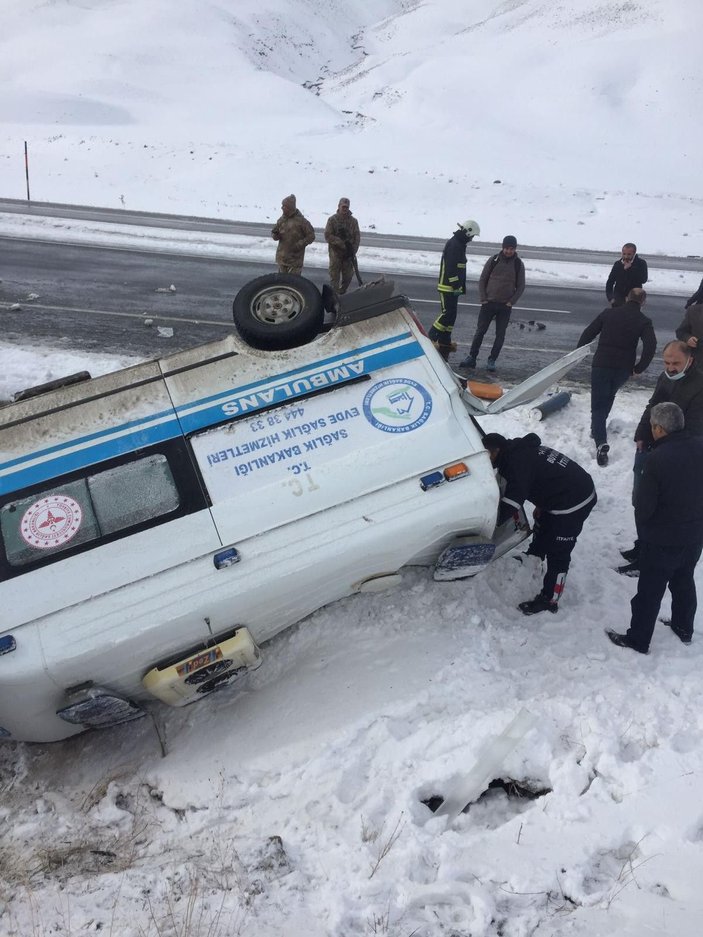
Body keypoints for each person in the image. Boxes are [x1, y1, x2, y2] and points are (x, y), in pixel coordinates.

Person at [607, 403, 703, 654]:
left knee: (649, 591)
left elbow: (644, 505)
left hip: (662, 539)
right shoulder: (700, 446)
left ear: (659, 429)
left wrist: (645, 534)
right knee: (684, 582)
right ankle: (683, 628)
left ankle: (638, 639)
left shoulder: (656, 459)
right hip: (694, 535)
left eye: (652, 426)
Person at [482, 432, 596, 615]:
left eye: (486, 455)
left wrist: (487, 525)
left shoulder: (516, 463)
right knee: (542, 522)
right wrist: (542, 504)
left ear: (496, 451)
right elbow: (539, 475)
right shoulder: (515, 450)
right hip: (562, 492)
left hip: (575, 501)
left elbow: (511, 503)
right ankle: (534, 557)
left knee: (559, 551)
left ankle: (550, 600)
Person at [619, 340, 703, 573]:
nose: (670, 367)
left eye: (676, 362)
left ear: (690, 360)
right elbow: (652, 406)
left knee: (658, 507)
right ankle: (642, 543)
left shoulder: (699, 386)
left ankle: (648, 554)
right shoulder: (665, 377)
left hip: (676, 457)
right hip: (651, 448)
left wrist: (666, 448)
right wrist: (641, 434)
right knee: (641, 500)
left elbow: (695, 429)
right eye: (667, 362)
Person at [577, 287, 656, 467]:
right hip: (623, 368)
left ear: (627, 297)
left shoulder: (608, 313)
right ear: (644, 302)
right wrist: (639, 367)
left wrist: (577, 353)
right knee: (609, 395)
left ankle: (600, 442)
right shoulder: (644, 321)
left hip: (602, 364)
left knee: (598, 404)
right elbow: (651, 346)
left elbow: (589, 332)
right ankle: (597, 429)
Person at [459, 235, 525, 372]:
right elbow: (483, 279)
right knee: (480, 332)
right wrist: (483, 298)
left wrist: (511, 302)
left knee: (500, 335)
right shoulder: (494, 260)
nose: (508, 251)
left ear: (515, 249)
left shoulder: (518, 264)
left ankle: (492, 360)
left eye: (511, 249)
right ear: (503, 247)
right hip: (488, 303)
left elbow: (521, 286)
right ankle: (472, 357)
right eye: (506, 248)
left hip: (504, 306)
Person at [428, 219, 481, 362]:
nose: (471, 239)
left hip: (453, 286)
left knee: (452, 315)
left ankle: (445, 341)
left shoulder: (459, 243)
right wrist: (456, 285)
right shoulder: (455, 245)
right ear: (467, 232)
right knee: (447, 313)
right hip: (448, 286)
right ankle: (430, 338)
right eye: (472, 236)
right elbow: (451, 267)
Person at [271, 194, 315, 275]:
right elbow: (274, 233)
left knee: (293, 285)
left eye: (284, 206)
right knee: (281, 284)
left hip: (295, 260)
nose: (282, 208)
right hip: (282, 259)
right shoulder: (282, 219)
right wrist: (275, 235)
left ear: (290, 208)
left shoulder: (302, 221)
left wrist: (299, 244)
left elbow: (311, 236)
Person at [324, 197, 361, 294]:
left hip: (348, 254)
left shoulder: (353, 221)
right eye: (343, 207)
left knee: (348, 276)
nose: (345, 209)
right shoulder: (332, 220)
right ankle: (335, 296)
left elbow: (357, 237)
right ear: (339, 206)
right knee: (334, 276)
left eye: (347, 207)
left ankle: (342, 292)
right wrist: (340, 243)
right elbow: (327, 235)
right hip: (335, 253)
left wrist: (353, 250)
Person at [605, 243, 648, 307]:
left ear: (634, 253)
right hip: (618, 299)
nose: (626, 257)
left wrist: (630, 269)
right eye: (624, 254)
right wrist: (610, 298)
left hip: (634, 299)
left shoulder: (641, 263)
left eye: (629, 254)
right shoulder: (618, 264)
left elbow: (643, 279)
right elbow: (610, 282)